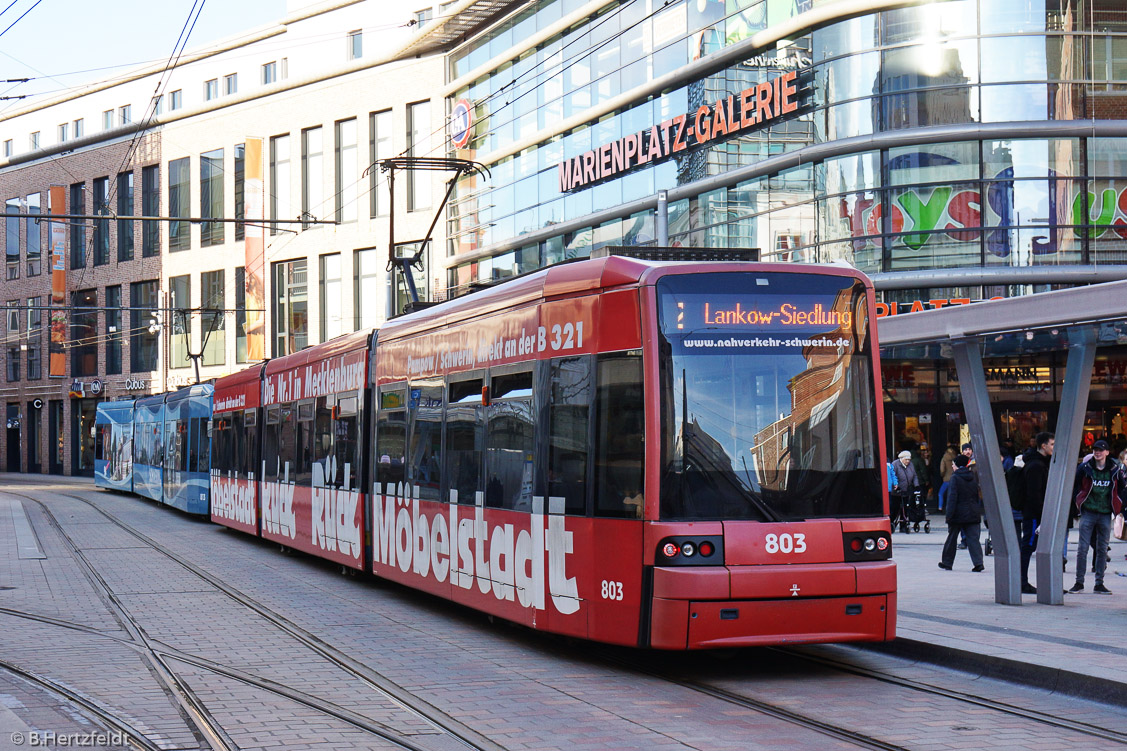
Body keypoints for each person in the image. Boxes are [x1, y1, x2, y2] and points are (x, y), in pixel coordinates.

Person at [1069, 439, 1124, 594]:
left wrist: (1119, 506)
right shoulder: (1085, 468)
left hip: (1105, 513)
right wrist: (1077, 503)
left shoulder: (1114, 469)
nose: (1097, 452)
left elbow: (1121, 488)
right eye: (1095, 450)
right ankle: (1079, 583)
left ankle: (1099, 583)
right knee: (1082, 548)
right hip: (1088, 511)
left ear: (1107, 452)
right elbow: (1075, 485)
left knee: (1102, 549)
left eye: (1101, 450)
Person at [1020, 431, 1054, 595]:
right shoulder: (1036, 466)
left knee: (1029, 545)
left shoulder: (1039, 463)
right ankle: (1021, 581)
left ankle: (1022, 581)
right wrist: (1042, 515)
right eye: (1052, 444)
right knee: (1028, 545)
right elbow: (1034, 494)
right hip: (1033, 514)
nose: (1054, 447)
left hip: (1034, 513)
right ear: (1043, 445)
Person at [939, 454, 984, 571]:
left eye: (953, 464)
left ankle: (947, 562)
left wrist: (949, 515)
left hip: (958, 514)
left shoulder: (955, 478)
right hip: (973, 512)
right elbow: (976, 496)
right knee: (973, 539)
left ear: (958, 466)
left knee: (952, 538)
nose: (952, 467)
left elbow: (952, 498)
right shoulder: (972, 476)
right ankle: (978, 563)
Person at [890, 450, 919, 533]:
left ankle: (903, 526)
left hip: (906, 490)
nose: (908, 461)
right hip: (896, 492)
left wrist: (916, 485)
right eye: (906, 460)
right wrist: (895, 486)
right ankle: (891, 523)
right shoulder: (895, 464)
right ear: (901, 459)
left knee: (905, 508)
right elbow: (892, 476)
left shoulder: (911, 465)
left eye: (909, 460)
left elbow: (914, 476)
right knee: (895, 509)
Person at [938, 444, 958, 510]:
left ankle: (940, 507)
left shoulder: (944, 458)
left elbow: (942, 469)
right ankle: (950, 507)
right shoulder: (955, 457)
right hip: (954, 478)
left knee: (940, 493)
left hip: (946, 479)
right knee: (951, 494)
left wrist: (942, 475)